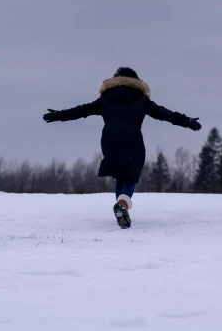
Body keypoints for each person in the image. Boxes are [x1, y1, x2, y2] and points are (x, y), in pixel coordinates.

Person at [43, 67, 201, 228]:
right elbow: (164, 113)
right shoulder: (140, 98)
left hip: (109, 137)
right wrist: (187, 121)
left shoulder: (106, 98)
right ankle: (123, 205)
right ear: (137, 81)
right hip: (132, 136)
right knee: (131, 174)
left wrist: (59, 115)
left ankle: (122, 210)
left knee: (120, 174)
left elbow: (81, 110)